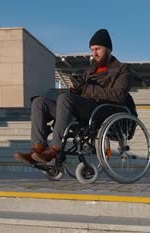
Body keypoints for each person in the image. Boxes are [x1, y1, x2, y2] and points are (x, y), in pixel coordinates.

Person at [14, 28, 135, 164]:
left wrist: (86, 88)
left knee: (65, 99)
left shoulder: (122, 69)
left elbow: (118, 95)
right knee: (39, 102)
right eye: (92, 49)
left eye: (98, 49)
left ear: (108, 49)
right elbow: (80, 93)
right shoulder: (89, 71)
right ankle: (37, 149)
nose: (94, 53)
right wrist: (76, 89)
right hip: (81, 109)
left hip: (101, 111)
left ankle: (55, 149)